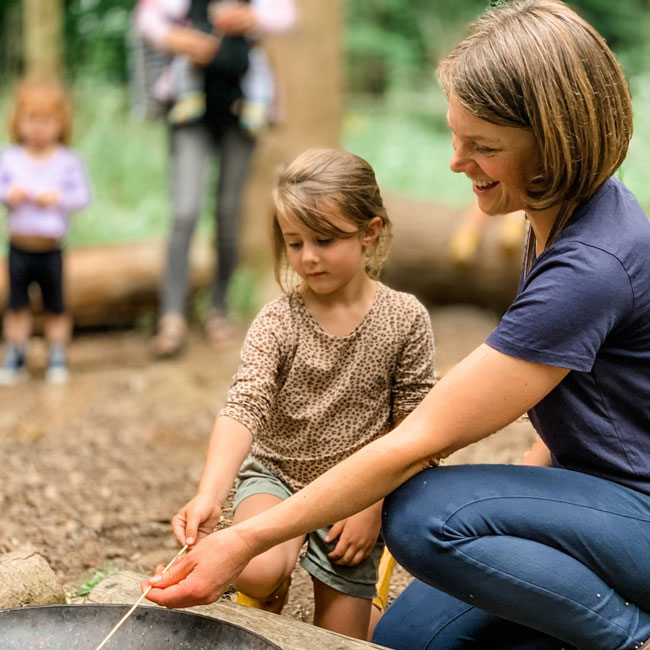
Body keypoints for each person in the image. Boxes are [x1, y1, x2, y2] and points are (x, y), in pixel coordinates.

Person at [143, 2, 650, 648]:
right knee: (409, 640)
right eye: (456, 136)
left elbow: (420, 437)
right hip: (603, 505)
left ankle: (629, 636)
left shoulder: (591, 266)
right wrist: (534, 496)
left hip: (635, 518)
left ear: (554, 142)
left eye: (483, 147)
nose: (456, 162)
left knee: (422, 513)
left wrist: (244, 539)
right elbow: (593, 398)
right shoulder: (567, 215)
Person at [164, 147, 435, 639]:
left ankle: (368, 611)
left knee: (338, 639)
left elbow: (417, 424)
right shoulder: (277, 319)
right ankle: (263, 588)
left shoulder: (406, 318)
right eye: (294, 242)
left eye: (324, 240)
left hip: (358, 487)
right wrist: (211, 492)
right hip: (278, 474)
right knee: (261, 568)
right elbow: (244, 403)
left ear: (369, 231)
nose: (307, 257)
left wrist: (372, 504)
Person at [135, 0, 296, 357]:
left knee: (227, 212)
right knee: (184, 212)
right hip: (187, 107)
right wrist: (179, 39)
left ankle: (217, 308)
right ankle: (172, 317)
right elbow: (146, 17)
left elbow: (287, 14)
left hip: (244, 109)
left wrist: (252, 18)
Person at [0, 79, 91, 385]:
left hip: (51, 248)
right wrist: (8, 194)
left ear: (60, 123)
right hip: (18, 247)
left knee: (56, 305)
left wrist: (59, 199)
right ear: (18, 121)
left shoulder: (68, 161)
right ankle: (16, 353)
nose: (38, 128)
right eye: (31, 120)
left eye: (46, 121)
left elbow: (82, 197)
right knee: (17, 305)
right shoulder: (9, 157)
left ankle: (57, 354)